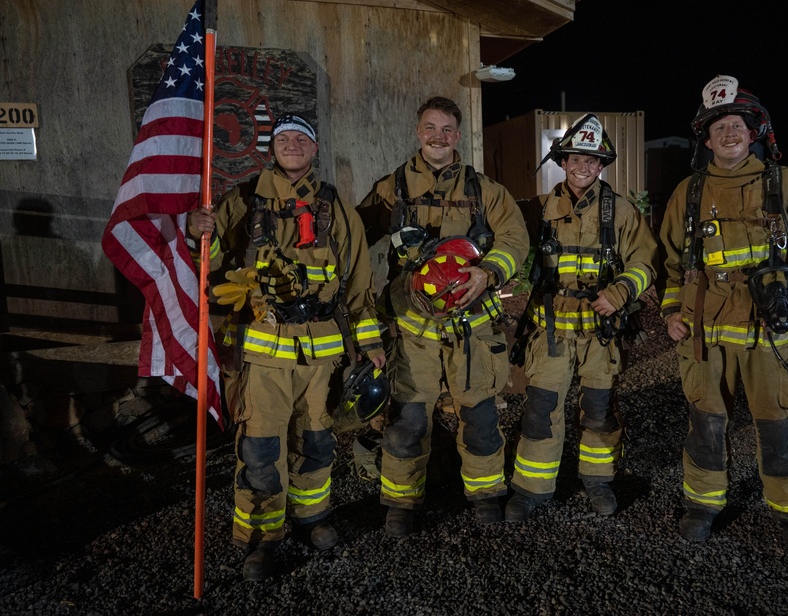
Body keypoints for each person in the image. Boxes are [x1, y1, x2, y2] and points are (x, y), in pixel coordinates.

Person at [187, 114, 385, 580]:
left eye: (302, 139)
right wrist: (200, 230)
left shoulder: (336, 209)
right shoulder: (243, 200)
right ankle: (261, 535)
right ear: (270, 149)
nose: (293, 146)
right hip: (263, 354)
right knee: (260, 449)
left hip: (322, 355)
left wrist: (371, 342)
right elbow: (209, 263)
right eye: (284, 140)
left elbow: (359, 283)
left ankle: (311, 516)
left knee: (316, 441)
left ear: (314, 150)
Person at [658, 75, 788, 558]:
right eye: (719, 128)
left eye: (737, 125)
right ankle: (702, 505)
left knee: (779, 424)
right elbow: (670, 262)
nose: (729, 134)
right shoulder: (688, 192)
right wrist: (672, 313)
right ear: (707, 137)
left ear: (755, 130)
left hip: (770, 328)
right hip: (705, 332)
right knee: (706, 422)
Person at [356, 96, 529, 538]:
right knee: (408, 419)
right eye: (430, 128)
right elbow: (354, 237)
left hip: (473, 327)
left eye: (447, 129)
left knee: (481, 416)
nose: (438, 136)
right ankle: (400, 503)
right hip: (414, 333)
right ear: (419, 132)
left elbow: (515, 238)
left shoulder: (483, 190)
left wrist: (489, 271)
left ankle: (486, 494)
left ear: (458, 134)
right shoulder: (391, 187)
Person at [504, 114, 657, 521]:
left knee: (599, 411)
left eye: (592, 160)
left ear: (602, 165)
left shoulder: (620, 211)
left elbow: (646, 260)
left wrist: (621, 291)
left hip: (599, 335)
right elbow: (503, 234)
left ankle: (598, 480)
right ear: (563, 160)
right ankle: (532, 489)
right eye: (576, 158)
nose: (583, 167)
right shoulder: (537, 209)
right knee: (540, 410)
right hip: (551, 331)